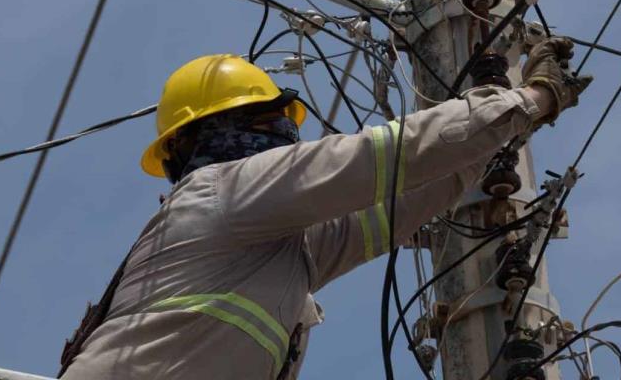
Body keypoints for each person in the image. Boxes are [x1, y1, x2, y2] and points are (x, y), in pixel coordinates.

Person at [58, 37, 591, 380]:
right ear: (210, 136)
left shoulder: (278, 246)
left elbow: (406, 199)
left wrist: (498, 132)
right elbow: (383, 158)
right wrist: (531, 98)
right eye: (270, 125)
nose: (285, 140)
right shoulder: (223, 191)